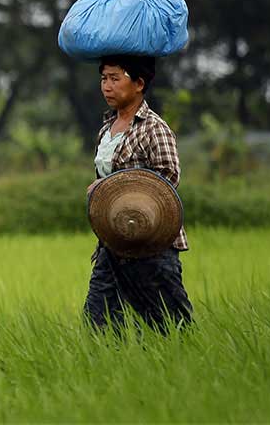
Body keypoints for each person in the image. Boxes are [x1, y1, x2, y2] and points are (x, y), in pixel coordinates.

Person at [83, 55, 194, 334]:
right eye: (103, 79)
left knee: (170, 326)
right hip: (113, 242)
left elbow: (168, 177)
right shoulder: (105, 130)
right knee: (99, 323)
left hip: (152, 242)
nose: (107, 86)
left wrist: (112, 187)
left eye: (115, 78)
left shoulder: (155, 129)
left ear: (139, 84)